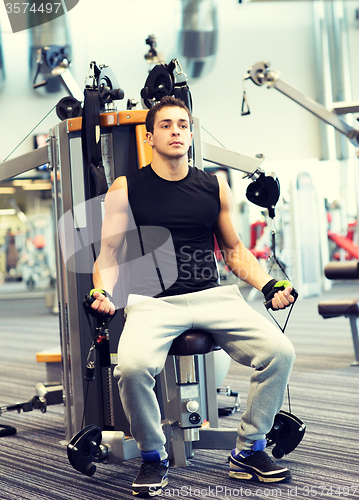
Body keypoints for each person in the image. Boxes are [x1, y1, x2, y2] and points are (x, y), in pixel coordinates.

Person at [90, 96, 296, 497]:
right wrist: (102, 290)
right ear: (149, 137)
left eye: (182, 125)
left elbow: (234, 250)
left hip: (211, 296)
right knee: (130, 369)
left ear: (190, 134)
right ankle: (154, 456)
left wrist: (268, 286)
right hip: (152, 301)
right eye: (166, 125)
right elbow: (109, 254)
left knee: (280, 351)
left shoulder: (213, 186)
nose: (176, 131)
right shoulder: (126, 188)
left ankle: (249, 450)